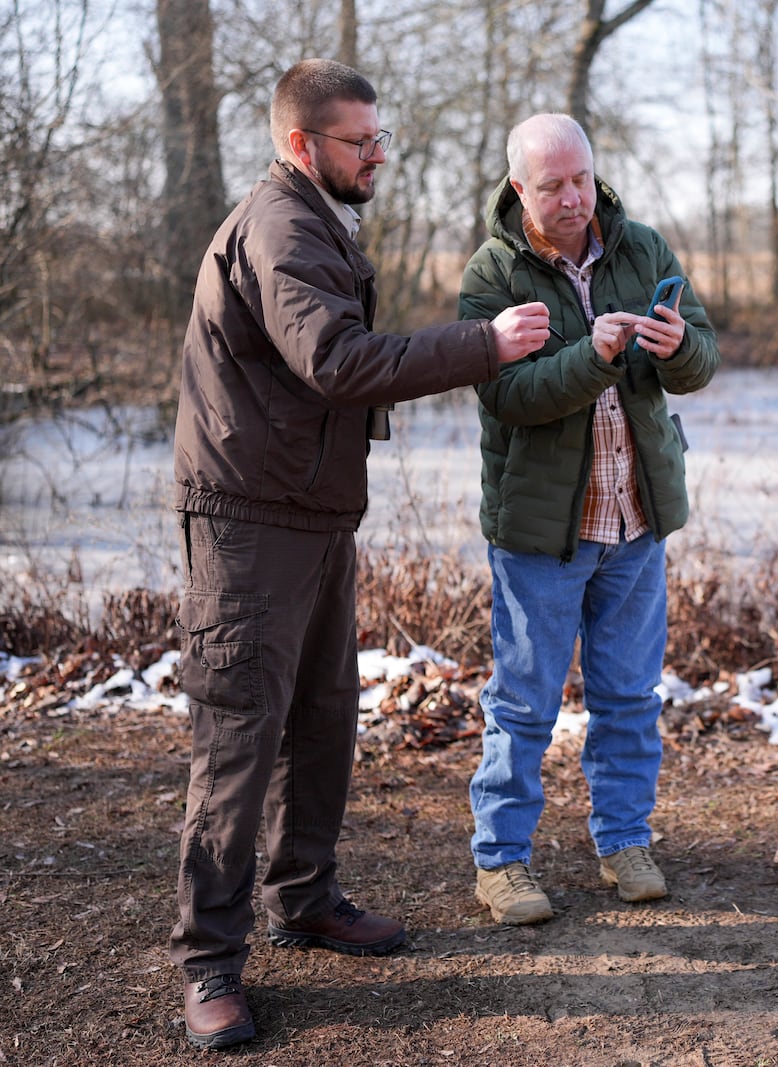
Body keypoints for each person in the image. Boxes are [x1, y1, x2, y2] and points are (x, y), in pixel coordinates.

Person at [169, 59, 551, 1050]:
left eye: (379, 137)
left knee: (324, 718)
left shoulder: (315, 216)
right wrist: (485, 342)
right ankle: (210, 958)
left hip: (313, 512)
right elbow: (335, 361)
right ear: (302, 145)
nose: (378, 153)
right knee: (241, 735)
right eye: (359, 140)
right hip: (249, 522)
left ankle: (305, 896)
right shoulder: (281, 224)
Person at [458, 113, 718, 925]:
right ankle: (501, 863)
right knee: (525, 703)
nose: (572, 198)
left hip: (636, 521)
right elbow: (510, 395)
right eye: (551, 186)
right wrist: (594, 358)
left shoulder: (642, 247)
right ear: (518, 189)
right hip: (540, 536)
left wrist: (675, 347)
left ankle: (624, 840)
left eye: (580, 179)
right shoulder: (491, 275)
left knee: (630, 696)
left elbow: (702, 361)